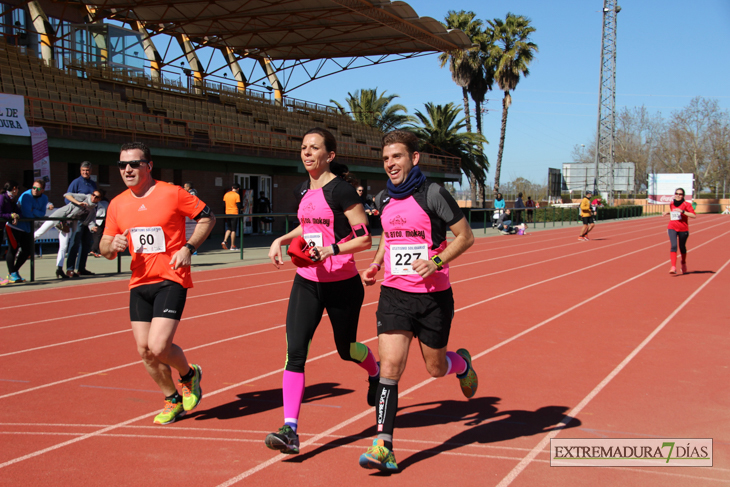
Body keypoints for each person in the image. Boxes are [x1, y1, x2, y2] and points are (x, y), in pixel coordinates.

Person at [359, 130, 477, 472]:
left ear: (413, 158)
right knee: (390, 368)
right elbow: (388, 237)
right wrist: (376, 264)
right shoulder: (383, 199)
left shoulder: (434, 193)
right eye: (385, 159)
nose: (390, 163)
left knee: (435, 368)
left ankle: (463, 364)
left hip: (433, 298)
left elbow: (465, 237)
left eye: (396, 156)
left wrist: (436, 262)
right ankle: (384, 446)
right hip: (394, 296)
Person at [264, 128, 380, 455]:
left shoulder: (341, 191)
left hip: (342, 285)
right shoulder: (303, 189)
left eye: (314, 148)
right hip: (306, 282)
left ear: (329, 155)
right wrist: (281, 239)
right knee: (295, 352)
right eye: (303, 148)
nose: (307, 153)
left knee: (346, 349)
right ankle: (290, 430)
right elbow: (308, 225)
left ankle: (375, 370)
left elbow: (364, 238)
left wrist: (331, 250)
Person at [100, 142, 215, 425]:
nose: (127, 170)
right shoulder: (117, 203)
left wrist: (188, 247)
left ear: (148, 166)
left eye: (134, 164)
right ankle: (172, 399)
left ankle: (189, 375)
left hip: (171, 277)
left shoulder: (171, 193)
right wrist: (110, 245)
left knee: (159, 345)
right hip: (139, 281)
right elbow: (105, 246)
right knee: (144, 350)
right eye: (122, 165)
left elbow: (207, 218)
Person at [35, 190, 102, 279]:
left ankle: (59, 269)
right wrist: (78, 202)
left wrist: (92, 227)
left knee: (64, 245)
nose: (94, 197)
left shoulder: (92, 209)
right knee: (39, 233)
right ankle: (25, 245)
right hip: (58, 217)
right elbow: (67, 195)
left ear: (99, 199)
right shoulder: (84, 197)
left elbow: (90, 221)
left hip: (65, 225)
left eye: (96, 197)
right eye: (93, 195)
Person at [4, 179, 51, 283]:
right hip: (14, 226)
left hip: (27, 228)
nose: (34, 190)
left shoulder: (44, 198)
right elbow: (26, 214)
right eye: (33, 187)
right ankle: (12, 273)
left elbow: (42, 213)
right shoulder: (26, 196)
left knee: (27, 250)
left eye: (37, 188)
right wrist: (34, 212)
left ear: (42, 190)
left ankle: (14, 272)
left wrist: (33, 210)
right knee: (13, 249)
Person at [66, 161, 98, 277]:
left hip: (89, 218)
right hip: (78, 217)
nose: (85, 172)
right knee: (74, 242)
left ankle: (81, 268)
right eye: (83, 170)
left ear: (91, 171)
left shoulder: (93, 184)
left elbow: (95, 199)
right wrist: (77, 206)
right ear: (80, 171)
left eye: (87, 170)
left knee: (86, 244)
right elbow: (67, 198)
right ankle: (70, 269)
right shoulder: (76, 183)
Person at [662, 187, 696, 274]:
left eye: (680, 194)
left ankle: (683, 263)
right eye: (676, 193)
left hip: (683, 228)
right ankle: (673, 267)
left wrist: (683, 211)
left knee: (682, 247)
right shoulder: (672, 203)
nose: (678, 195)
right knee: (673, 246)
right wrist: (668, 213)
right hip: (672, 227)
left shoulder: (687, 204)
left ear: (683, 195)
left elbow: (693, 215)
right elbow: (674, 212)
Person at [0, 181, 20, 285]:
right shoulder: (2, 198)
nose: (17, 190)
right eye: (16, 188)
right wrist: (11, 216)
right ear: (13, 188)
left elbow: (16, 211)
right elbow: (1, 213)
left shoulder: (12, 199)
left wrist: (16, 215)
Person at [222, 183, 241, 250]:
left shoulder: (226, 194)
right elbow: (238, 205)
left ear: (232, 187)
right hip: (234, 213)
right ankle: (232, 245)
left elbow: (224, 204)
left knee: (229, 228)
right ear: (238, 189)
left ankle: (224, 241)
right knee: (233, 230)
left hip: (227, 212)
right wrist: (242, 208)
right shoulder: (237, 195)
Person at [90, 189, 108, 258]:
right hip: (100, 220)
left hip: (97, 220)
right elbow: (101, 211)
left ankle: (96, 250)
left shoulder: (99, 202)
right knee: (99, 236)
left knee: (96, 236)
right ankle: (95, 250)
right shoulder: (104, 202)